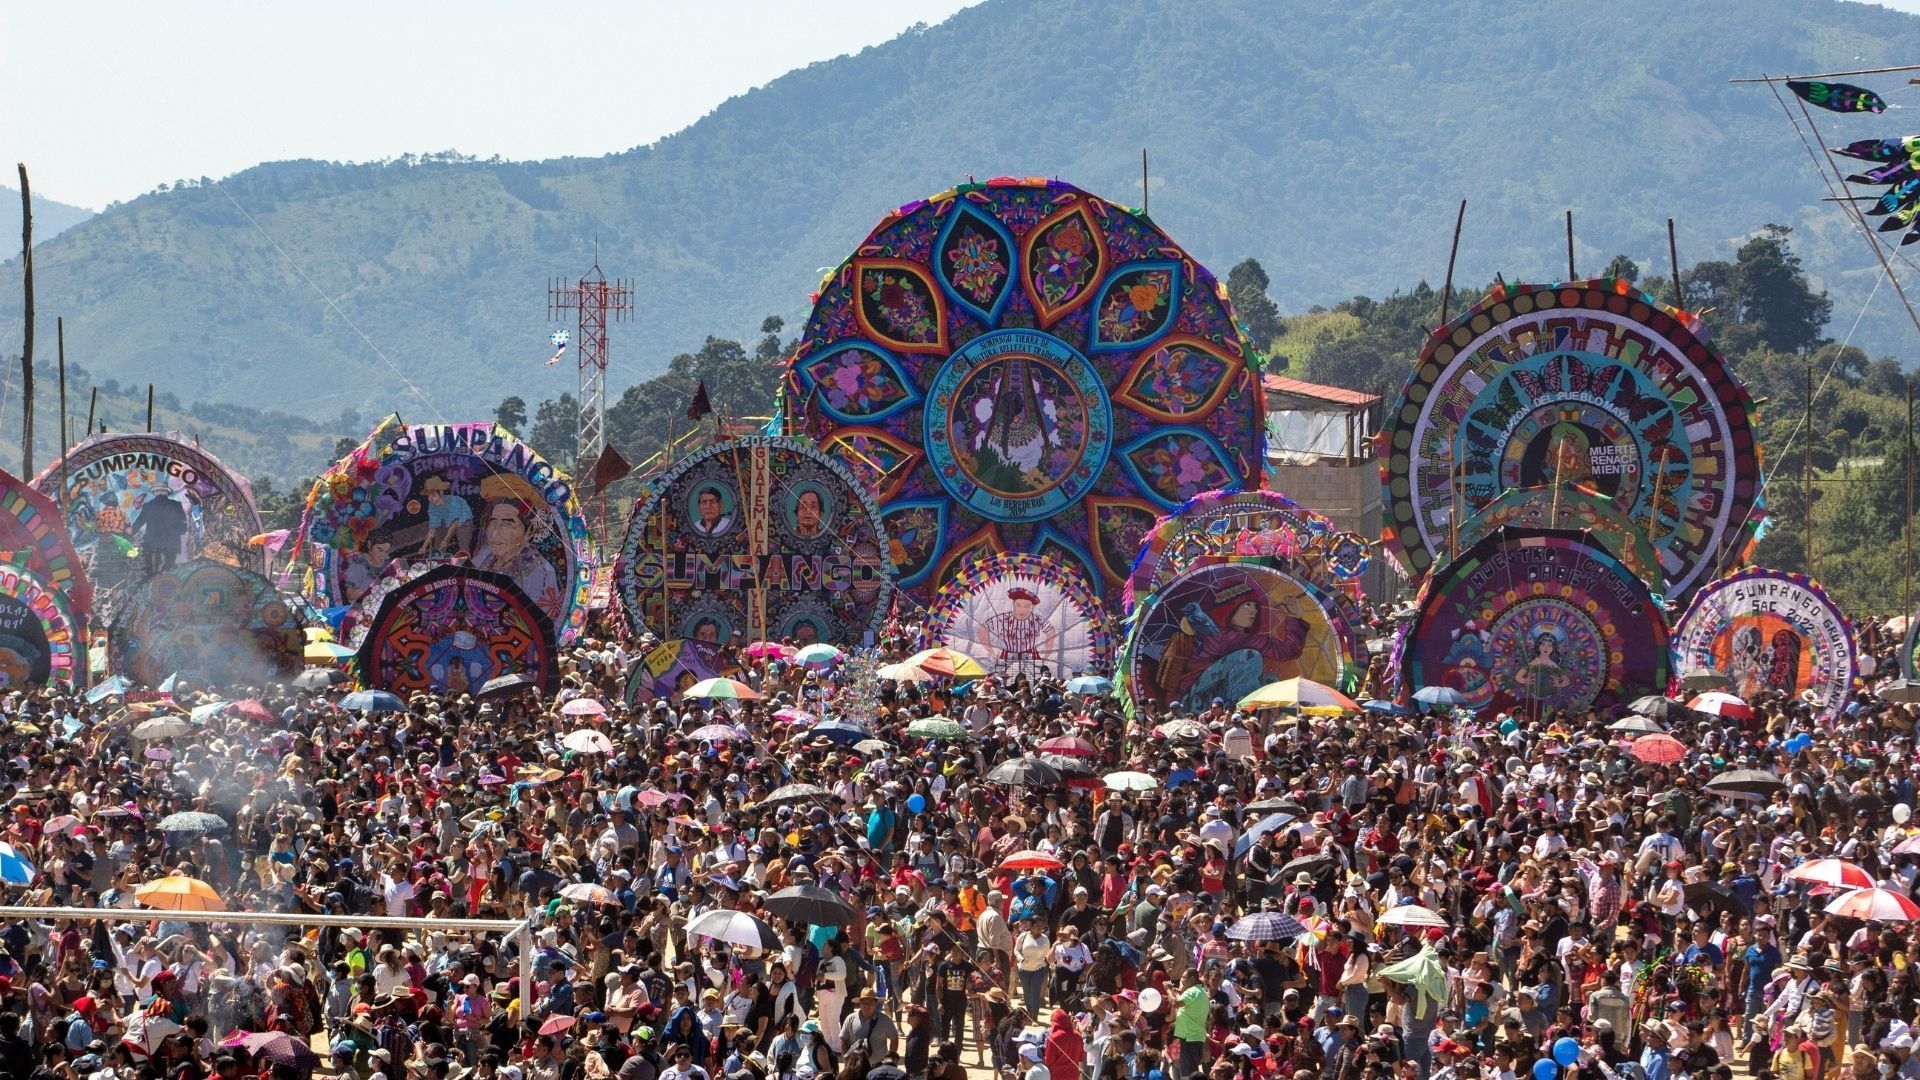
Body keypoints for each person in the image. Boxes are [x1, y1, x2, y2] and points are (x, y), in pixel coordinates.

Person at [472, 497, 562, 618]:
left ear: (529, 531)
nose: (494, 533)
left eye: (507, 524)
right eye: (493, 522)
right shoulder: (485, 556)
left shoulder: (541, 572)